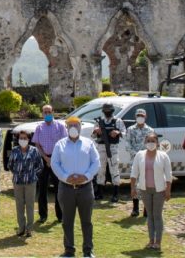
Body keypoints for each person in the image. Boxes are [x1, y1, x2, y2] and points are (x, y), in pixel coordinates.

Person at [51, 116, 100, 258]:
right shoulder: (59, 145)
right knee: (67, 221)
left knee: (87, 221)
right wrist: (66, 177)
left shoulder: (88, 143)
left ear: (80, 127)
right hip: (66, 188)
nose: (73, 128)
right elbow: (55, 164)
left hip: (85, 188)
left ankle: (88, 250)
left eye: (76, 125)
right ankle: (69, 250)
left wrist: (86, 176)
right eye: (70, 125)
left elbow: (96, 162)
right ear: (66, 127)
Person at [130, 133, 173, 251]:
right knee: (149, 215)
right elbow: (134, 172)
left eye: (153, 141)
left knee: (157, 215)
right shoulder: (140, 155)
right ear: (145, 143)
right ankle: (151, 240)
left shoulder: (163, 156)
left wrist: (168, 190)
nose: (150, 143)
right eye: (148, 141)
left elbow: (168, 175)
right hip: (145, 189)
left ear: (157, 143)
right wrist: (133, 187)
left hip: (159, 190)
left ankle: (158, 241)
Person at [31, 104, 67, 223]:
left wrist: (53, 159)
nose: (47, 114)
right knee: (42, 188)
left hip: (56, 159)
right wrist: (46, 158)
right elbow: (37, 144)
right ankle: (43, 215)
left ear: (53, 112)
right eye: (45, 112)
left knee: (58, 188)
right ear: (42, 113)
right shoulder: (39, 128)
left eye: (49, 112)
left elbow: (64, 143)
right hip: (43, 158)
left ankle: (60, 215)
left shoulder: (60, 126)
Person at [7, 129, 44, 238]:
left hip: (30, 182)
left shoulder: (34, 151)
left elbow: (40, 165)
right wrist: (18, 174)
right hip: (18, 182)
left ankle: (29, 229)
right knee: (19, 205)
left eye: (25, 138)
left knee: (30, 205)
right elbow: (10, 165)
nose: (22, 140)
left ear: (29, 139)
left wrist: (32, 174)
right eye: (21, 138)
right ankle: (21, 228)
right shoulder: (14, 150)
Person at [92, 102, 126, 202]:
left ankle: (115, 193)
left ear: (112, 111)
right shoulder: (99, 121)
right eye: (105, 111)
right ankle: (99, 192)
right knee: (100, 169)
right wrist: (96, 131)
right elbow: (93, 136)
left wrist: (117, 132)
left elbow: (124, 132)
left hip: (113, 148)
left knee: (114, 169)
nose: (107, 112)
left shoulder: (117, 121)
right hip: (101, 147)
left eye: (109, 111)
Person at [125, 108, 155, 217]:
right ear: (135, 117)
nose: (140, 117)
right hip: (135, 160)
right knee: (135, 183)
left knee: (147, 184)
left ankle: (147, 208)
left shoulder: (150, 130)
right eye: (138, 115)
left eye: (142, 115)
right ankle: (135, 208)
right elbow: (127, 145)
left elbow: (153, 144)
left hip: (147, 160)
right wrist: (137, 154)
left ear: (145, 117)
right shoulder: (130, 129)